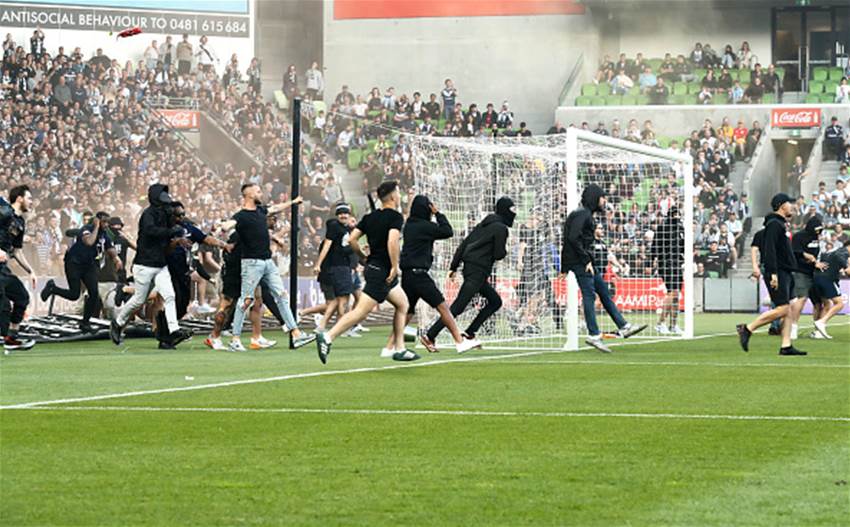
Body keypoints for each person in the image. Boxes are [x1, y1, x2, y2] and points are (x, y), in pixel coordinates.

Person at [315, 181, 418, 364]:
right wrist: (395, 265)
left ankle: (400, 348)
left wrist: (363, 256)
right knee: (361, 312)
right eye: (398, 193)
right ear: (393, 196)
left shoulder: (370, 218)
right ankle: (328, 336)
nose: (399, 196)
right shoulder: (395, 217)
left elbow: (352, 239)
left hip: (375, 268)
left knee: (403, 304)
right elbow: (392, 241)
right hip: (383, 272)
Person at [220, 185, 313, 351]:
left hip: (267, 262)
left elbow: (276, 207)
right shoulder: (241, 216)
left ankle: (296, 334)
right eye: (257, 191)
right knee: (246, 300)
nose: (260, 193)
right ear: (247, 194)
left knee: (281, 295)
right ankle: (235, 339)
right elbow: (231, 223)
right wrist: (224, 226)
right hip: (251, 263)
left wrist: (293, 202)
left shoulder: (261, 211)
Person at [560, 184, 646, 353]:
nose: (604, 201)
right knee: (589, 294)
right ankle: (593, 334)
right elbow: (572, 238)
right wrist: (584, 261)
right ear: (595, 198)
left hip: (584, 261)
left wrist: (567, 266)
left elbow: (571, 239)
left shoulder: (583, 214)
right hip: (581, 262)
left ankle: (623, 326)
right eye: (602, 197)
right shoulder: (582, 214)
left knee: (603, 292)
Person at [423, 196, 516, 347]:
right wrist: (506, 249)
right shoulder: (501, 228)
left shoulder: (483, 225)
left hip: (471, 269)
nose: (514, 213)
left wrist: (453, 267)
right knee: (458, 306)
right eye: (512, 209)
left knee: (495, 301)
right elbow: (499, 254)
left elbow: (463, 245)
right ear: (505, 210)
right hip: (478, 271)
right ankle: (430, 335)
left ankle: (470, 333)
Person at [110, 184, 192, 348]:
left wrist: (177, 230)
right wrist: (172, 232)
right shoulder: (147, 215)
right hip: (144, 265)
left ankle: (174, 329)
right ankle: (118, 322)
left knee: (170, 296)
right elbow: (151, 231)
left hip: (160, 265)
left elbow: (170, 230)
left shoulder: (165, 214)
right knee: (139, 300)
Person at [403, 195, 481, 354]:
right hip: (419, 275)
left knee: (407, 312)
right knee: (444, 307)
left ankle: (392, 343)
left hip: (407, 275)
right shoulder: (425, 226)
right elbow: (447, 231)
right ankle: (460, 342)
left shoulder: (409, 225)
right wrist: (438, 213)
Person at [737, 193, 806, 356]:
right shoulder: (775, 224)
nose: (792, 206)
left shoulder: (779, 225)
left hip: (785, 271)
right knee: (783, 309)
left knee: (788, 309)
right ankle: (747, 328)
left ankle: (786, 345)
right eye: (789, 203)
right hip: (779, 272)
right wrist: (773, 273)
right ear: (782, 206)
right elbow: (770, 251)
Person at [41, 211, 122, 333]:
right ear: (97, 220)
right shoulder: (86, 229)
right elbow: (89, 242)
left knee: (94, 293)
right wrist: (95, 226)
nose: (106, 225)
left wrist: (116, 258)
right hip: (74, 263)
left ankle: (85, 322)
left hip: (89, 266)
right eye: (103, 222)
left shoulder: (104, 234)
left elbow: (110, 248)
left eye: (107, 222)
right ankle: (53, 288)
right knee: (74, 294)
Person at [0, 186, 36, 352]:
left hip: (3, 268)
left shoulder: (20, 223)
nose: (31, 201)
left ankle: (11, 337)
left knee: (22, 297)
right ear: (20, 198)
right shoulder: (4, 211)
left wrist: (30, 271)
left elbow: (17, 251)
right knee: (3, 303)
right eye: (29, 198)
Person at [313, 203, 355, 332]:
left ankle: (325, 326)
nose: (343, 215)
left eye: (345, 213)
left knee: (339, 300)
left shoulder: (346, 229)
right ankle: (339, 328)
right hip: (338, 268)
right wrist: (318, 264)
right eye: (340, 213)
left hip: (343, 267)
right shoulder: (334, 226)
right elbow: (326, 245)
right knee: (342, 299)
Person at [787, 216, 825, 341]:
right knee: (802, 298)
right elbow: (793, 251)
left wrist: (815, 263)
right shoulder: (799, 236)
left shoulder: (816, 238)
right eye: (817, 229)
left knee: (818, 303)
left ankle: (818, 330)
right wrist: (806, 255)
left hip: (813, 272)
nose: (818, 232)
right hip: (800, 271)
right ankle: (793, 328)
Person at [652, 206, 684, 335]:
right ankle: (660, 323)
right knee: (672, 292)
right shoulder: (662, 228)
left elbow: (683, 246)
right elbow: (655, 246)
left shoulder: (681, 229)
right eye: (675, 215)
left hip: (677, 263)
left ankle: (673, 325)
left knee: (677, 294)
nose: (677, 217)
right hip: (665, 263)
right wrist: (650, 262)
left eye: (678, 215)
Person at [812, 238, 850, 338]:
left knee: (826, 304)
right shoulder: (843, 254)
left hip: (816, 278)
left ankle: (818, 333)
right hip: (828, 279)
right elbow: (848, 271)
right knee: (840, 303)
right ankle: (822, 322)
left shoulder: (834, 251)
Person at [749, 227, 782, 335]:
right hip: (776, 267)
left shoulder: (760, 233)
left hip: (767, 266)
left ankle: (776, 324)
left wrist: (755, 266)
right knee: (778, 297)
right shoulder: (779, 233)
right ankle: (775, 325)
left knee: (776, 297)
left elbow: (754, 249)